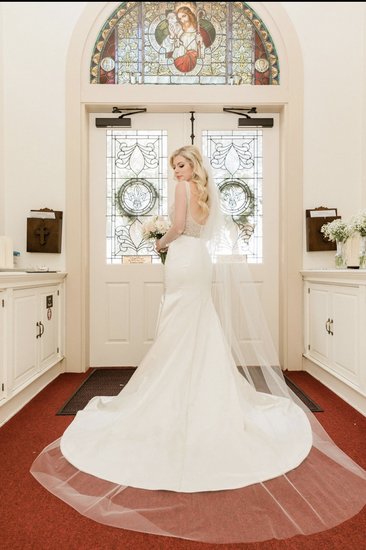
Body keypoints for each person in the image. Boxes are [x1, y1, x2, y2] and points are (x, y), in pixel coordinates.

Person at [31, 146, 366, 543]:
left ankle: (175, 391)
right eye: (174, 166)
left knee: (178, 323)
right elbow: (198, 228)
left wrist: (159, 243)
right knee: (197, 321)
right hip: (199, 259)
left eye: (182, 164)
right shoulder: (207, 195)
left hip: (182, 258)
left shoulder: (181, 190)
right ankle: (201, 389)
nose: (177, 171)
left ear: (193, 167)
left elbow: (175, 227)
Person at [162, 7, 214, 72]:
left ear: (190, 15)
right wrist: (172, 36)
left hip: (196, 67)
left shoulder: (201, 32)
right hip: (177, 66)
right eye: (180, 18)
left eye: (184, 16)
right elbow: (166, 50)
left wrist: (201, 44)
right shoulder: (178, 32)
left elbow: (209, 54)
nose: (182, 20)